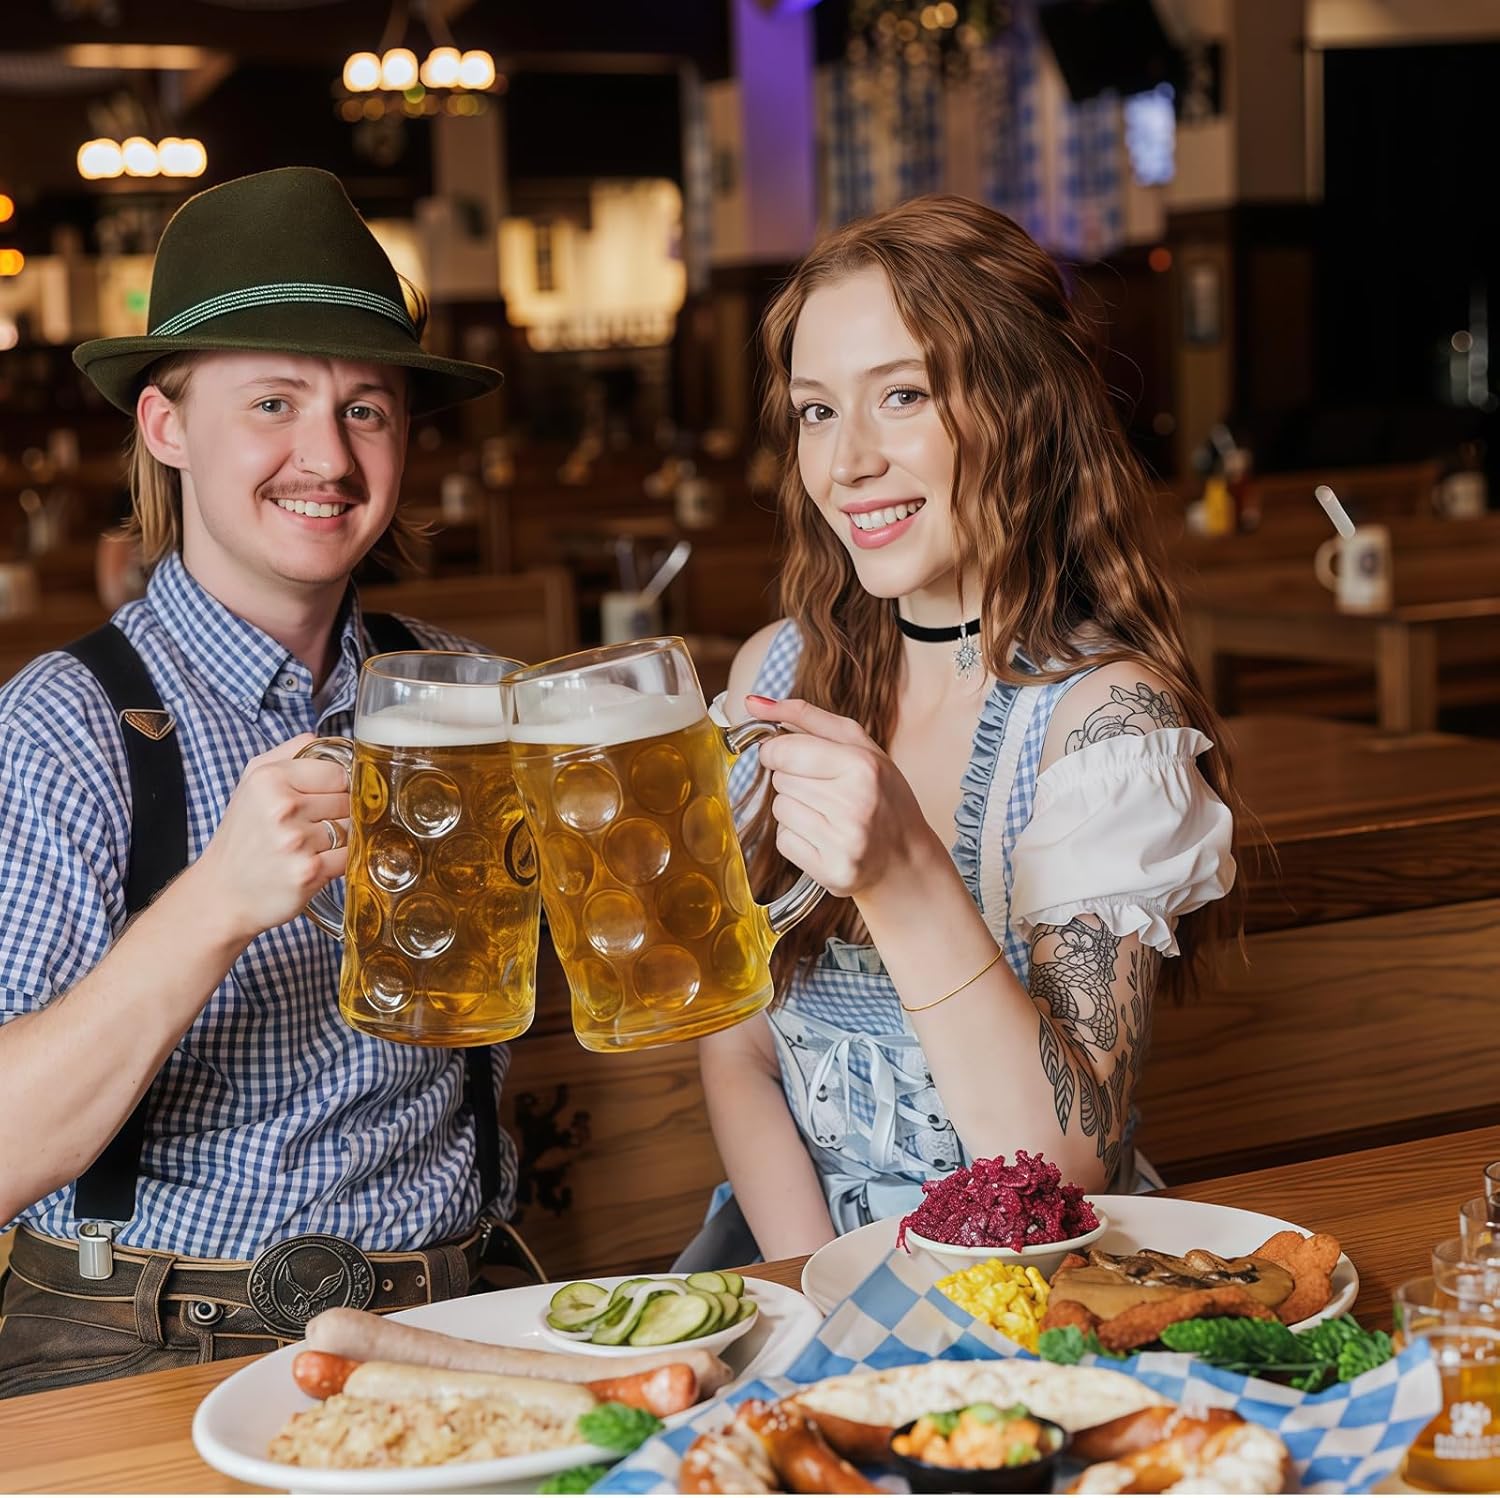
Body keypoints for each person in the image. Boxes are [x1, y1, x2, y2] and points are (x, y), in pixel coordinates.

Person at [0, 167, 538, 1397]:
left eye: (367, 409)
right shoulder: (65, 730)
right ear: (166, 426)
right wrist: (214, 901)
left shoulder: (475, 702)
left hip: (458, 1314)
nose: (328, 457)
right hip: (145, 1337)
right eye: (275, 402)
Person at [683, 195, 1237, 1268]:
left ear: (1024, 410)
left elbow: (1067, 1156)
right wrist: (819, 1295)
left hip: (1036, 1281)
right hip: (795, 1260)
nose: (847, 464)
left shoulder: (1104, 720)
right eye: (815, 410)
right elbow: (738, 1049)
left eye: (903, 394)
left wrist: (899, 866)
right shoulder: (775, 673)